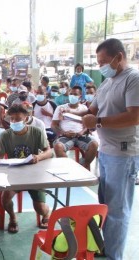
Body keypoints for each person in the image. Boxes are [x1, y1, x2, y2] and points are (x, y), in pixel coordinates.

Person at [81, 38, 139, 260]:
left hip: (124, 154)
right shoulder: (107, 82)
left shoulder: (133, 79)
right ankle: (106, 246)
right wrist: (73, 115)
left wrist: (97, 122)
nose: (101, 67)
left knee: (118, 210)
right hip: (106, 151)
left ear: (119, 57)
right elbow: (92, 109)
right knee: (105, 204)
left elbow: (135, 116)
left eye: (104, 61)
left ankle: (115, 255)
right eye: (98, 62)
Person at [0, 104, 52, 233]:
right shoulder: (5, 135)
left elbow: (48, 152)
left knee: (40, 207)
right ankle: (12, 218)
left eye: (18, 119)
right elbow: (0, 155)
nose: (15, 122)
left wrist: (38, 157)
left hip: (34, 176)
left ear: (26, 119)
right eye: (12, 119)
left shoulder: (36, 132)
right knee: (5, 199)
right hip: (14, 175)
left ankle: (46, 214)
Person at [52, 86, 98, 170]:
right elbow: (54, 125)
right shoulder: (60, 108)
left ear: (80, 96)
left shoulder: (84, 108)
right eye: (71, 94)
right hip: (65, 137)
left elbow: (87, 125)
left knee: (94, 144)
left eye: (75, 94)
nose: (72, 96)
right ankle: (70, 169)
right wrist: (63, 133)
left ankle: (85, 165)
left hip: (81, 136)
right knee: (58, 147)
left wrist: (82, 131)